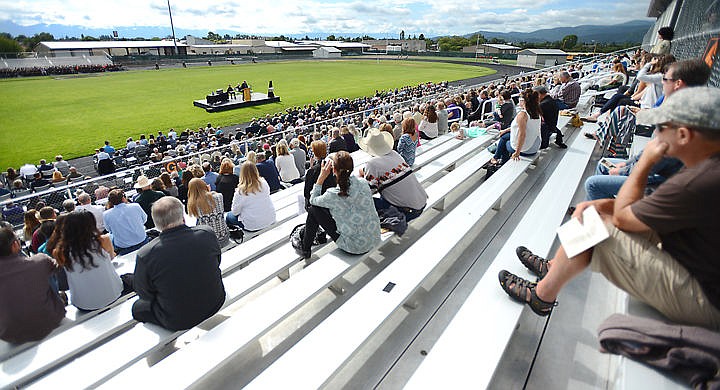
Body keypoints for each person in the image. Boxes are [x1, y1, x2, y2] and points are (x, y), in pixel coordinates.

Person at [498, 87, 720, 331]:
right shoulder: (705, 169)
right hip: (699, 270)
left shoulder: (697, 180)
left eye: (662, 128)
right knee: (599, 215)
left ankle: (541, 295)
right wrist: (604, 204)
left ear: (684, 135)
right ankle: (551, 269)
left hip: (706, 299)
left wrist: (644, 163)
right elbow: (646, 208)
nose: (656, 135)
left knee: (593, 226)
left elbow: (625, 218)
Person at [132, 197, 225, 330]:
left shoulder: (146, 254)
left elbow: (145, 293)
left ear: (157, 223)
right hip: (215, 301)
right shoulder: (206, 233)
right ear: (183, 216)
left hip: (178, 320)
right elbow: (217, 261)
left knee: (137, 308)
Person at [299, 151, 381, 258]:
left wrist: (321, 178)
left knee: (313, 210)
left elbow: (312, 200)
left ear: (334, 170)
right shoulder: (363, 183)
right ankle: (306, 249)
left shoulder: (332, 194)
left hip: (353, 247)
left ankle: (306, 249)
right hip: (374, 237)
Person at [0, 221, 66, 343]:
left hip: (11, 334)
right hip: (50, 321)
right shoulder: (40, 260)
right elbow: (60, 266)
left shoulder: (40, 261)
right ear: (15, 245)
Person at [52, 211, 126, 311]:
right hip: (114, 292)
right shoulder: (103, 240)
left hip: (83, 304)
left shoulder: (59, 252)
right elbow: (112, 257)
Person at [359, 128, 427, 222]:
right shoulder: (394, 154)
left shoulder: (371, 164)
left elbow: (367, 191)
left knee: (362, 201)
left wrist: (361, 178)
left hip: (408, 212)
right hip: (421, 203)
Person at [491, 88, 542, 164]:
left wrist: (517, 153)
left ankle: (498, 158)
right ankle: (498, 158)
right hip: (535, 146)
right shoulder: (537, 112)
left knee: (504, 140)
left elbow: (522, 135)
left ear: (524, 101)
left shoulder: (523, 114)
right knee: (505, 136)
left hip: (527, 150)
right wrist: (505, 130)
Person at [226, 161, 276, 231]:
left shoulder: (241, 191)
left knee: (228, 216)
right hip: (270, 218)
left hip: (253, 225)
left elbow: (235, 212)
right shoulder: (264, 183)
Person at [103, 189, 149, 255]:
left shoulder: (106, 214)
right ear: (123, 198)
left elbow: (109, 230)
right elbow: (144, 220)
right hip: (142, 240)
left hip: (123, 246)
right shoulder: (135, 206)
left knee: (109, 236)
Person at [187, 178, 230, 247]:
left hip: (209, 241)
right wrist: (209, 191)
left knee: (198, 221)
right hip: (224, 237)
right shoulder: (218, 196)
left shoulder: (193, 204)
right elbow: (214, 196)